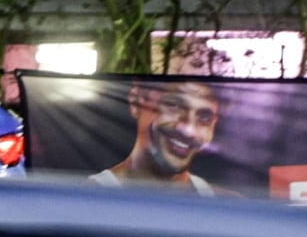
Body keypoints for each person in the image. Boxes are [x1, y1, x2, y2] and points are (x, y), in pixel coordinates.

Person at [94, 78, 223, 194]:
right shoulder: (90, 198)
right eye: (174, 106)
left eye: (205, 118)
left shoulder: (222, 204)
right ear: (136, 101)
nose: (189, 131)